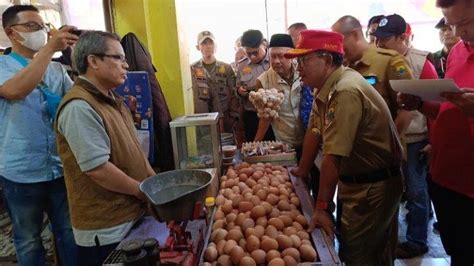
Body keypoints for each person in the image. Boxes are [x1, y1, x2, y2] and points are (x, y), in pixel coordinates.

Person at [285, 30, 403, 265]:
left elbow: (333, 155)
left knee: (360, 255)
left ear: (327, 60)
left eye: (304, 60)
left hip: (372, 186)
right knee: (365, 249)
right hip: (356, 181)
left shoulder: (345, 90)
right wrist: (302, 171)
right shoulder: (326, 86)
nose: (299, 68)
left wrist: (320, 207)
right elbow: (315, 131)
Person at [55, 31, 156, 265]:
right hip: (107, 226)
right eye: (118, 58)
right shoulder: (79, 107)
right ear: (93, 61)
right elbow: (97, 169)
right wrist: (143, 190)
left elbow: (134, 152)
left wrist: (154, 186)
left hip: (130, 214)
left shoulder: (111, 99)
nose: (126, 64)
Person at [0, 5, 78, 265]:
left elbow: (77, 103)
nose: (42, 32)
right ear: (11, 33)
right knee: (29, 239)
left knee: (69, 232)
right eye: (32, 26)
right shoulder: (3, 66)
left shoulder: (56, 70)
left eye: (43, 26)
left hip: (58, 166)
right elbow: (15, 91)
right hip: (21, 171)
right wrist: (48, 49)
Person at [399, 0, 474, 264]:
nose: (457, 32)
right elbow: (446, 110)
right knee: (458, 253)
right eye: (451, 24)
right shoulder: (456, 53)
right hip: (446, 177)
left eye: (464, 23)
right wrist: (420, 103)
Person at [373, 13, 439, 258]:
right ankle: (392, 238)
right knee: (392, 191)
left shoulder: (422, 63)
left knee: (416, 192)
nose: (380, 45)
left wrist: (433, 142)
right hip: (387, 138)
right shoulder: (378, 61)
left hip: (413, 139)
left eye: (386, 40)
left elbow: (436, 107)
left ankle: (416, 241)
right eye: (377, 40)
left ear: (402, 38)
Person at [254, 33, 304, 148]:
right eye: (273, 56)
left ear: (292, 56)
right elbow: (265, 117)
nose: (276, 61)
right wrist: (255, 145)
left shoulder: (304, 72)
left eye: (281, 56)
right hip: (284, 144)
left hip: (310, 140)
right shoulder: (263, 81)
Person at [191, 31, 236, 132]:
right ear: (198, 47)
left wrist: (234, 116)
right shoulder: (192, 69)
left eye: (211, 43)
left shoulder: (226, 68)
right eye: (204, 43)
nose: (208, 46)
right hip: (204, 119)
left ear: (215, 46)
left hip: (225, 116)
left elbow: (234, 93)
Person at [236, 29, 274, 142]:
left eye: (255, 52)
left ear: (264, 44)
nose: (252, 57)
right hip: (251, 115)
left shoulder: (275, 60)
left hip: (272, 115)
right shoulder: (242, 65)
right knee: (253, 150)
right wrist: (239, 91)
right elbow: (237, 87)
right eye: (248, 53)